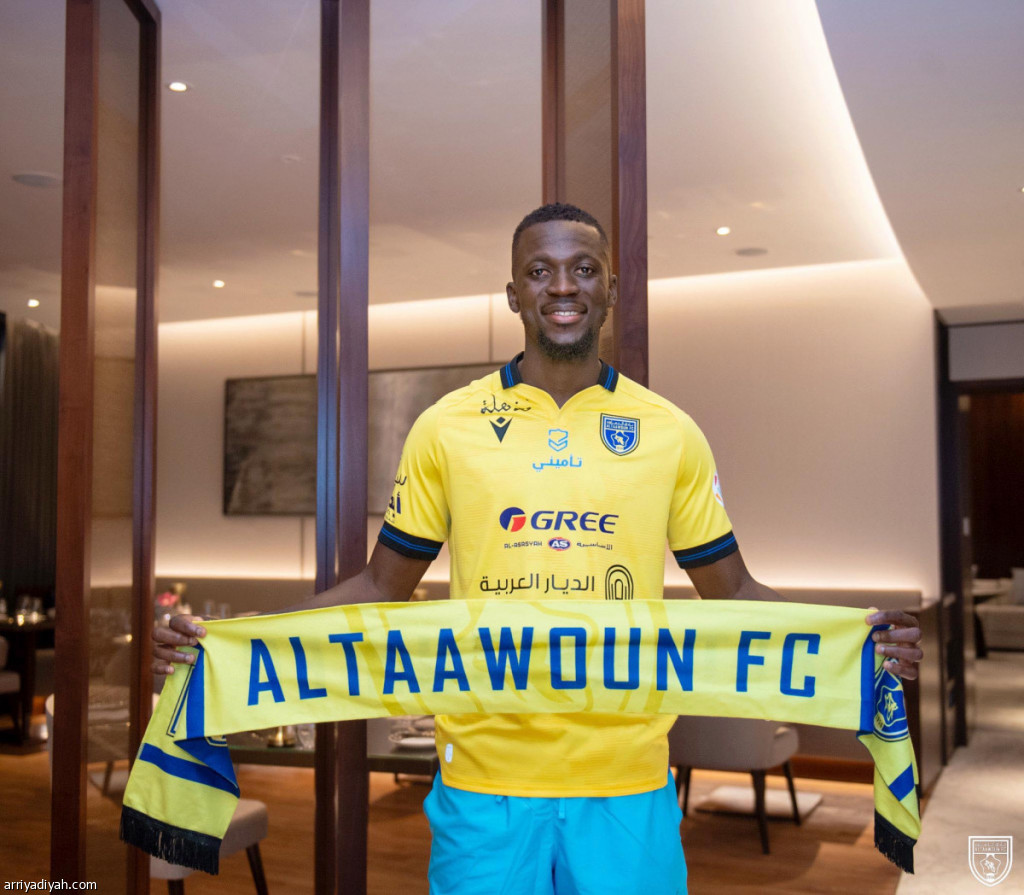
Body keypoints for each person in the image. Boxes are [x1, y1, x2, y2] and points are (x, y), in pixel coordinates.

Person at [153, 203, 923, 895]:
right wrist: (231, 641)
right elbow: (381, 585)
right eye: (540, 270)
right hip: (482, 789)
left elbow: (736, 594)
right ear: (513, 293)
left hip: (627, 787)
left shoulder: (670, 431)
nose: (562, 285)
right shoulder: (445, 427)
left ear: (611, 290)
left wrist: (856, 641)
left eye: (584, 268)